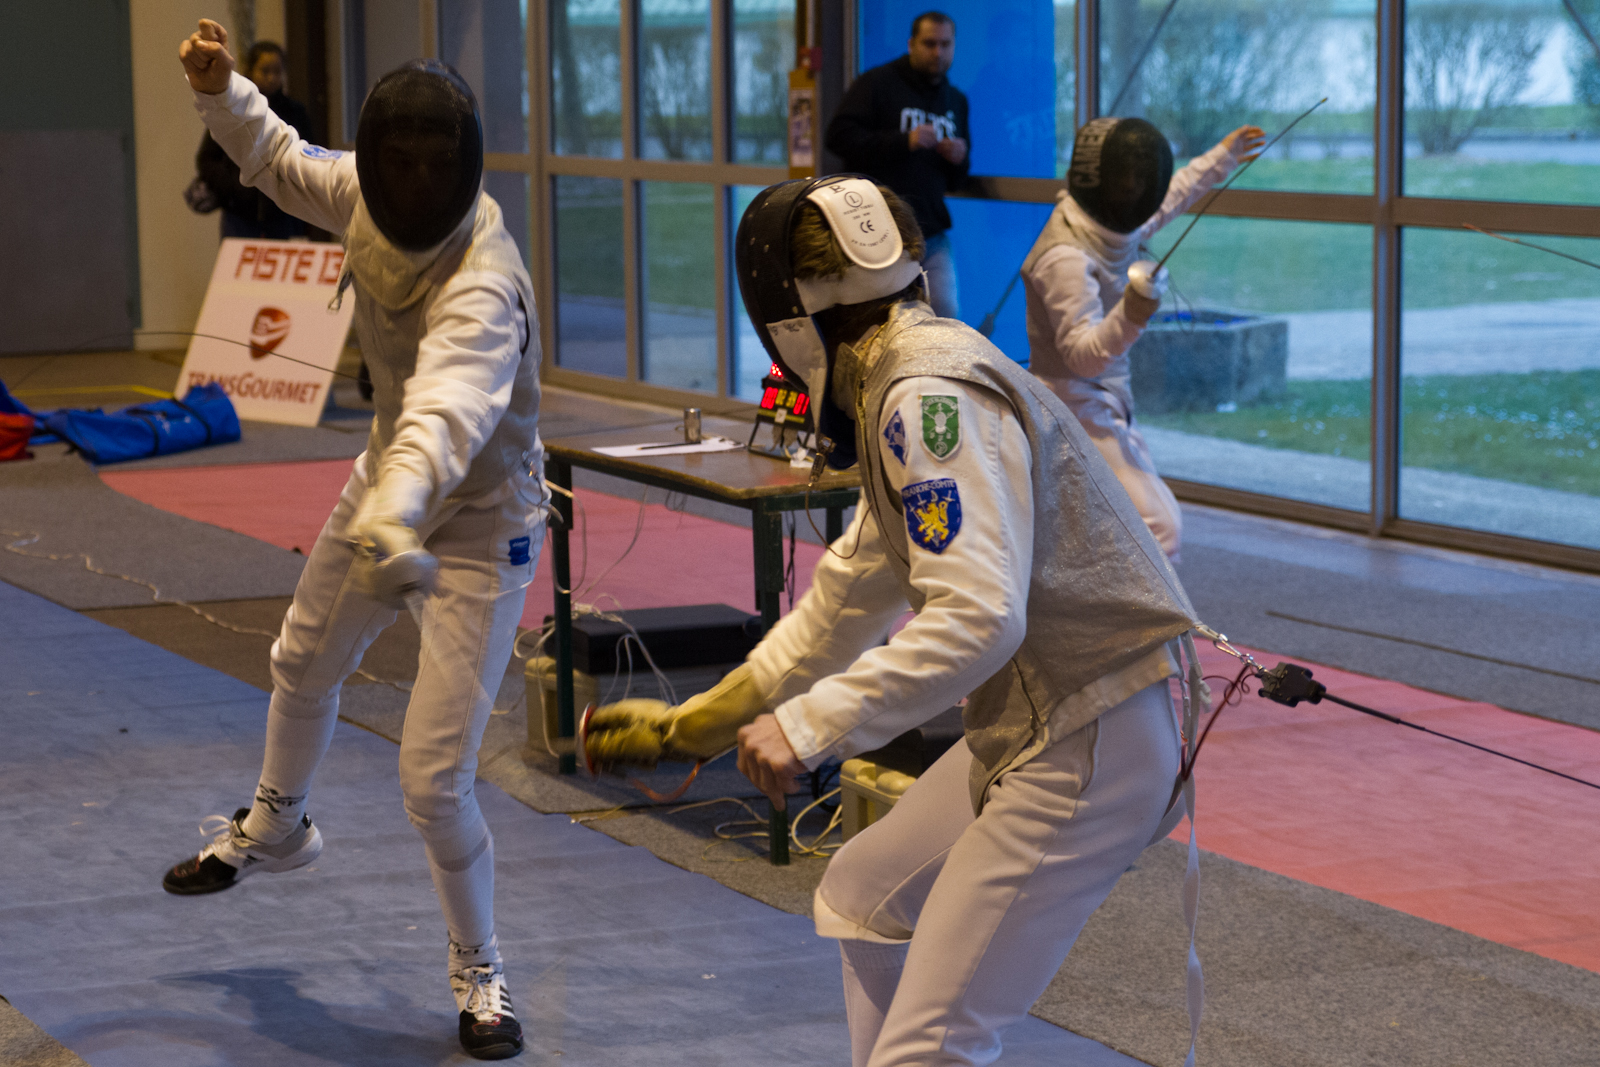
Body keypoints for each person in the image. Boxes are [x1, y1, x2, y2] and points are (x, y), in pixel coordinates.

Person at [583, 176, 1204, 1067]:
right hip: (1043, 723)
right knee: (861, 895)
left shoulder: (923, 396)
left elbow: (979, 616)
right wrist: (698, 724)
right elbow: (841, 605)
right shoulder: (907, 379)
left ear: (792, 321)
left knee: (933, 1045)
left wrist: (807, 727)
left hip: (1091, 739)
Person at [166, 20, 545, 1061]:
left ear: (465, 166)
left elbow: (446, 411)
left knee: (432, 780)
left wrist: (397, 505)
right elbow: (277, 157)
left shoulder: (484, 281)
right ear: (378, 160)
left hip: (481, 520)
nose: (415, 178)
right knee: (300, 659)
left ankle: (481, 970)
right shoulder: (360, 198)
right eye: (400, 158)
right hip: (387, 484)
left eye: (435, 161)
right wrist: (222, 91)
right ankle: (277, 823)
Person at [1021, 117, 1265, 559]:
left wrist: (1223, 155)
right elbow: (1082, 357)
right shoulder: (1065, 258)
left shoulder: (1109, 224)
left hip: (1105, 402)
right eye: (1128, 180)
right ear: (1106, 183)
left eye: (1141, 180)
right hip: (1071, 407)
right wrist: (1134, 311)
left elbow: (1175, 195)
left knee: (1126, 523)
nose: (1137, 189)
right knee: (1159, 528)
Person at [826, 11, 968, 320]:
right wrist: (904, 141)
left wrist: (959, 158)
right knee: (883, 320)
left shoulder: (955, 100)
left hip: (930, 232)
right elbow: (838, 137)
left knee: (946, 316)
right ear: (911, 44)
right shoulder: (877, 84)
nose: (938, 52)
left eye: (945, 44)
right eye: (929, 43)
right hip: (876, 230)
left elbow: (956, 180)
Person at [194, 40, 316, 239]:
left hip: (282, 214)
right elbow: (207, 159)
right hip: (239, 215)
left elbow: (308, 155)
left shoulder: (295, 112)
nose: (272, 78)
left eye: (277, 72)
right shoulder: (234, 109)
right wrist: (234, 189)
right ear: (250, 70)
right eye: (265, 71)